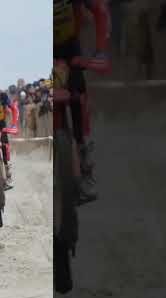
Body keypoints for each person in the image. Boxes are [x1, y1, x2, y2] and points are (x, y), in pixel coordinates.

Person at [53, 0, 111, 203]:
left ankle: (83, 155)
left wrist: (101, 50)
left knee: (77, 95)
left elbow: (100, 10)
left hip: (70, 48)